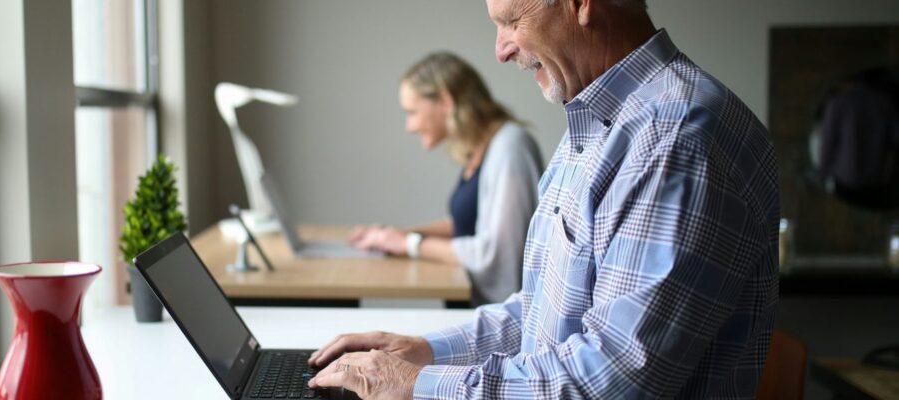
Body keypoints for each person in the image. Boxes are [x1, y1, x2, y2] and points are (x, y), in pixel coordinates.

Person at [308, 0, 780, 398]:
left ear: (581, 5)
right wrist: (420, 351)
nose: (500, 50)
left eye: (513, 21)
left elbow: (610, 379)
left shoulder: (672, 137)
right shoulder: (598, 126)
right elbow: (536, 316)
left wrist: (422, 384)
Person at [349, 51, 544, 306]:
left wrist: (409, 244)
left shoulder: (511, 147)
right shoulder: (481, 148)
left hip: (495, 319)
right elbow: (466, 224)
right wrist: (393, 236)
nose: (410, 126)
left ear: (444, 101)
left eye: (412, 112)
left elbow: (497, 252)